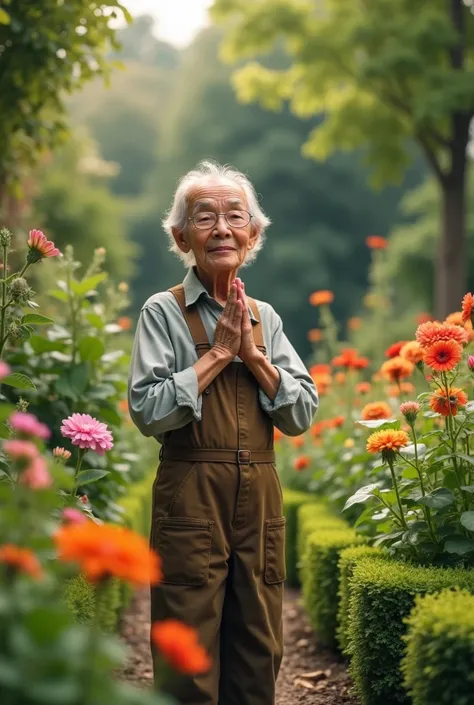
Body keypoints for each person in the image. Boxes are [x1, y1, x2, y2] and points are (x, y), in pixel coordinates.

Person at [128, 160, 318, 705]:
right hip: (191, 491)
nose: (221, 228)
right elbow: (148, 410)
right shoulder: (163, 312)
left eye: (235, 216)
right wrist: (216, 355)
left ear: (252, 235)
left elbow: (301, 414)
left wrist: (254, 357)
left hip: (259, 490)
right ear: (180, 236)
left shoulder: (265, 317)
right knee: (186, 642)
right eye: (204, 216)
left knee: (260, 644)